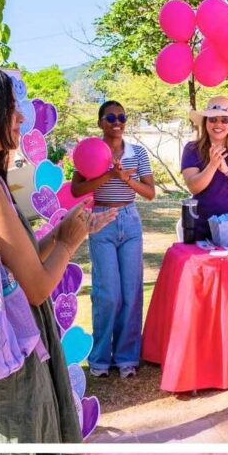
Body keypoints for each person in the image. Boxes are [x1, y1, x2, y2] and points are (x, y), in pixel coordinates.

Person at [0, 65, 116, 443]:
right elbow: (37, 287)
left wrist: (63, 231)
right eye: (10, 107)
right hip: (8, 364)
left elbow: (13, 264)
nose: (21, 117)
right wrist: (68, 243)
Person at [71, 100, 155, 379]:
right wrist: (109, 174)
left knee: (131, 292)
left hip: (129, 220)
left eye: (121, 116)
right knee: (108, 294)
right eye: (110, 117)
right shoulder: (90, 151)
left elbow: (150, 193)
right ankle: (100, 359)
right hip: (101, 221)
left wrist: (125, 179)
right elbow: (77, 189)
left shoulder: (137, 153)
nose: (116, 121)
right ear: (100, 122)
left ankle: (127, 358)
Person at [181, 96, 228, 242]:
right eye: (213, 119)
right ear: (205, 122)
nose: (218, 124)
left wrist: (227, 170)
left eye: (225, 120)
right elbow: (194, 187)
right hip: (203, 224)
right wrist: (213, 165)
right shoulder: (192, 149)